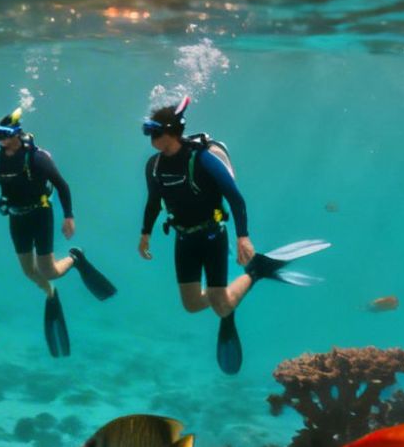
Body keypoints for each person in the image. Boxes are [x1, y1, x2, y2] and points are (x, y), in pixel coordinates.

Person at [137, 97, 327, 374]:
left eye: (155, 132)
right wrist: (145, 234)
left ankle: (256, 272)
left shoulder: (201, 158)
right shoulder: (153, 166)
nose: (151, 138)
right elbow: (154, 201)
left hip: (212, 237)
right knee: (191, 305)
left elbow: (235, 198)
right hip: (184, 238)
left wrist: (243, 237)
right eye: (149, 133)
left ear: (172, 132)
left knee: (222, 307)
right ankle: (243, 281)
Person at [0, 109, 81, 356]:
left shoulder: (37, 158)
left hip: (41, 214)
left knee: (48, 270)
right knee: (28, 271)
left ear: (17, 134)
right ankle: (50, 292)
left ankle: (75, 258)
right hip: (16, 218)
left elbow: (62, 186)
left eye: (4, 134)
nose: (0, 140)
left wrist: (68, 216)